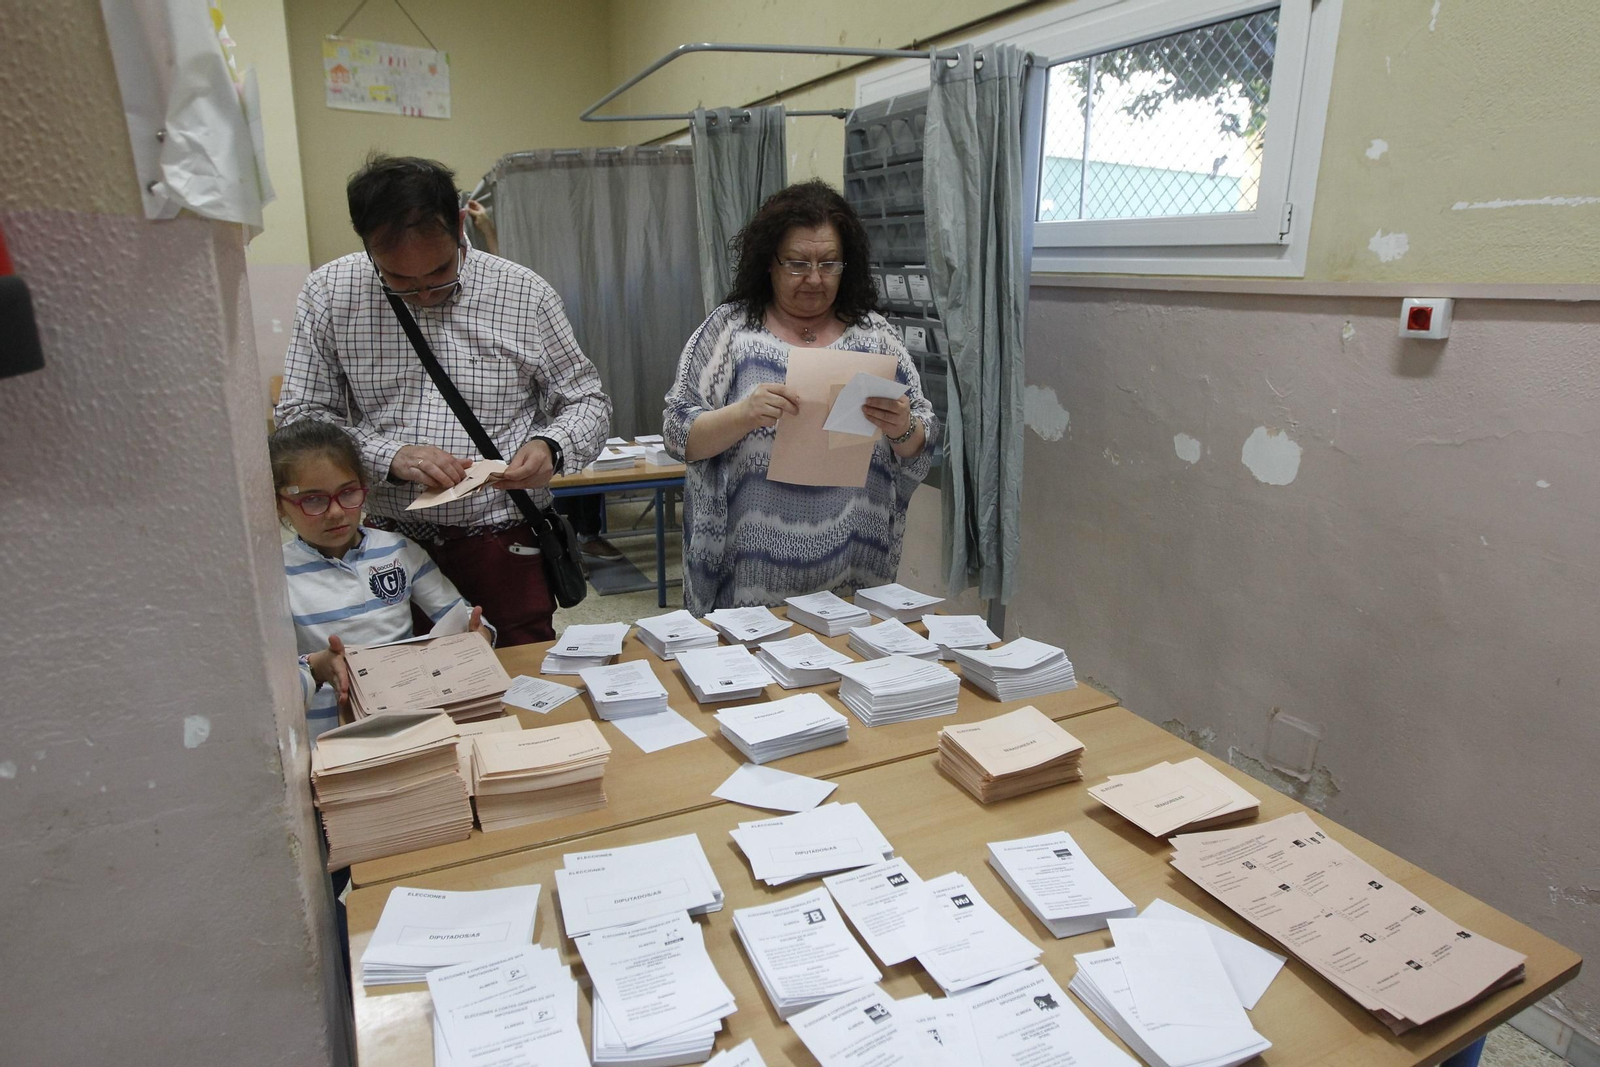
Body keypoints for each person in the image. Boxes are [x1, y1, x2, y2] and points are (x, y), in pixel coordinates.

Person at [275, 154, 611, 644]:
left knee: (518, 666)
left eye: (439, 273)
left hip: (503, 537)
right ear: (366, 242)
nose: (425, 295)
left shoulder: (523, 292)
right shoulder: (331, 292)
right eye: (400, 282)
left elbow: (587, 402)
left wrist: (551, 446)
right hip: (387, 544)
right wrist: (391, 456)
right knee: (402, 678)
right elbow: (300, 417)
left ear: (458, 224)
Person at [662, 179, 939, 614]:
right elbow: (677, 431)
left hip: (853, 566)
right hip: (749, 572)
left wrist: (903, 427)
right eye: (797, 264)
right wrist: (743, 415)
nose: (814, 278)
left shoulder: (875, 336)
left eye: (829, 264)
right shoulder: (731, 332)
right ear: (768, 263)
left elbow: (922, 437)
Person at [269, 420, 490, 738]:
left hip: (409, 717)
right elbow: (266, 678)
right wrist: (316, 666)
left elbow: (460, 614)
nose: (336, 512)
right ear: (279, 505)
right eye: (313, 500)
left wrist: (479, 632)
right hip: (326, 735)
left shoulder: (398, 550)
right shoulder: (275, 574)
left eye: (348, 493)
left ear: (364, 486)